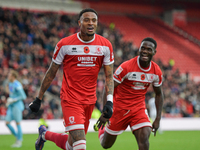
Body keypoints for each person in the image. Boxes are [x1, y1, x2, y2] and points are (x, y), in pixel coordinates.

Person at [29, 8, 114, 150]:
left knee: (70, 145)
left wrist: (110, 101)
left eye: (94, 20)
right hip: (70, 100)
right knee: (80, 144)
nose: (90, 23)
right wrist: (38, 98)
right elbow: (51, 72)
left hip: (89, 101)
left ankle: (44, 134)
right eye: (86, 20)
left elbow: (109, 76)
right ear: (79, 23)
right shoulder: (65, 44)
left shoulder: (105, 45)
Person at [96, 37, 164, 150]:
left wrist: (158, 118)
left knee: (144, 137)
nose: (145, 51)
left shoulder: (156, 72)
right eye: (143, 48)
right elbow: (109, 86)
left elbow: (159, 94)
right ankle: (102, 131)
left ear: (154, 52)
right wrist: (105, 111)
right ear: (139, 49)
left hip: (138, 109)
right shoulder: (126, 67)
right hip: (119, 109)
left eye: (149, 49)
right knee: (106, 145)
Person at [5, 69, 27, 148]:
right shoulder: (10, 84)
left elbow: (23, 96)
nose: (8, 76)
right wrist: (9, 101)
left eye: (9, 75)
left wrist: (14, 99)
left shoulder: (17, 84)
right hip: (11, 106)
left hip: (17, 106)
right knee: (7, 123)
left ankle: (19, 141)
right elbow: (12, 94)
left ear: (13, 76)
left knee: (17, 123)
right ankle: (18, 137)